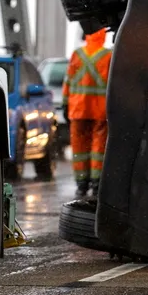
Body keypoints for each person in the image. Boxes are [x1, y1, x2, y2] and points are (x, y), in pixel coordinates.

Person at [63, 28, 111, 198]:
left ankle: (81, 184)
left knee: (79, 148)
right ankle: (97, 184)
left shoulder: (77, 54)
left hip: (78, 109)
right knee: (99, 148)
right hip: (100, 110)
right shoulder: (108, 56)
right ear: (103, 36)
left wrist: (64, 104)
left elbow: (68, 81)